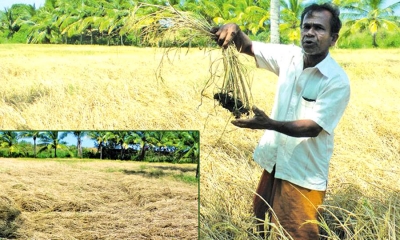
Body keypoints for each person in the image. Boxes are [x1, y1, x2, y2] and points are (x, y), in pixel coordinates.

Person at [212, 2, 350, 239]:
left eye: (319, 28)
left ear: (333, 38)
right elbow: (247, 46)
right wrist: (233, 28)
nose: (310, 33)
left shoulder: (336, 80)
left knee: (298, 232)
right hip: (275, 162)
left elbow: (313, 127)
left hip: (302, 171)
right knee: (263, 226)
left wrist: (269, 124)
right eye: (306, 27)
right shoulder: (290, 56)